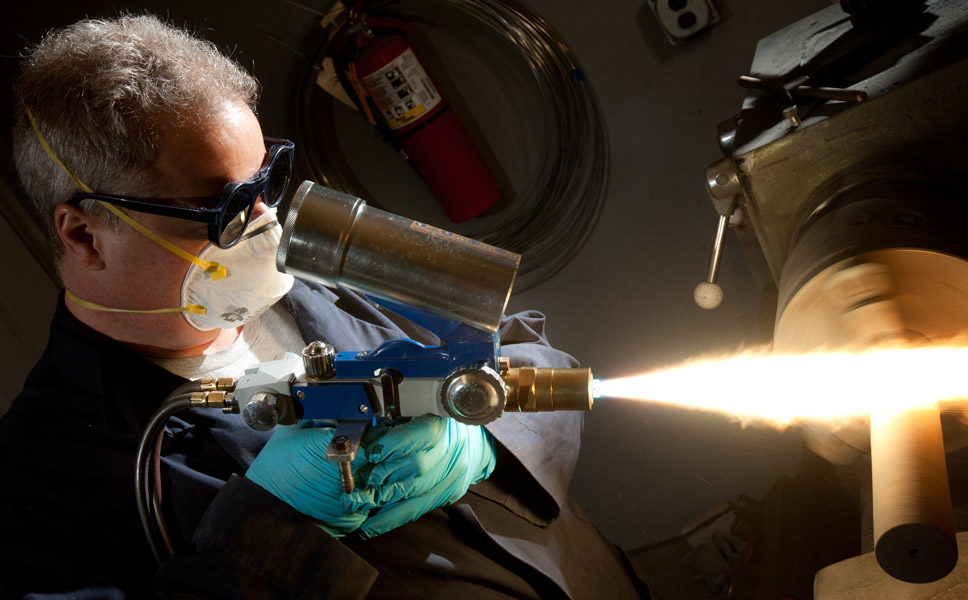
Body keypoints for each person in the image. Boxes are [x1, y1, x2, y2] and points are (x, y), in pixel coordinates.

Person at [0, 14, 649, 599]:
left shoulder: (327, 262)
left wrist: (484, 442)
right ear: (85, 235)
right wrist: (269, 529)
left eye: (266, 182)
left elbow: (531, 349)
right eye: (223, 209)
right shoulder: (38, 489)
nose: (266, 227)